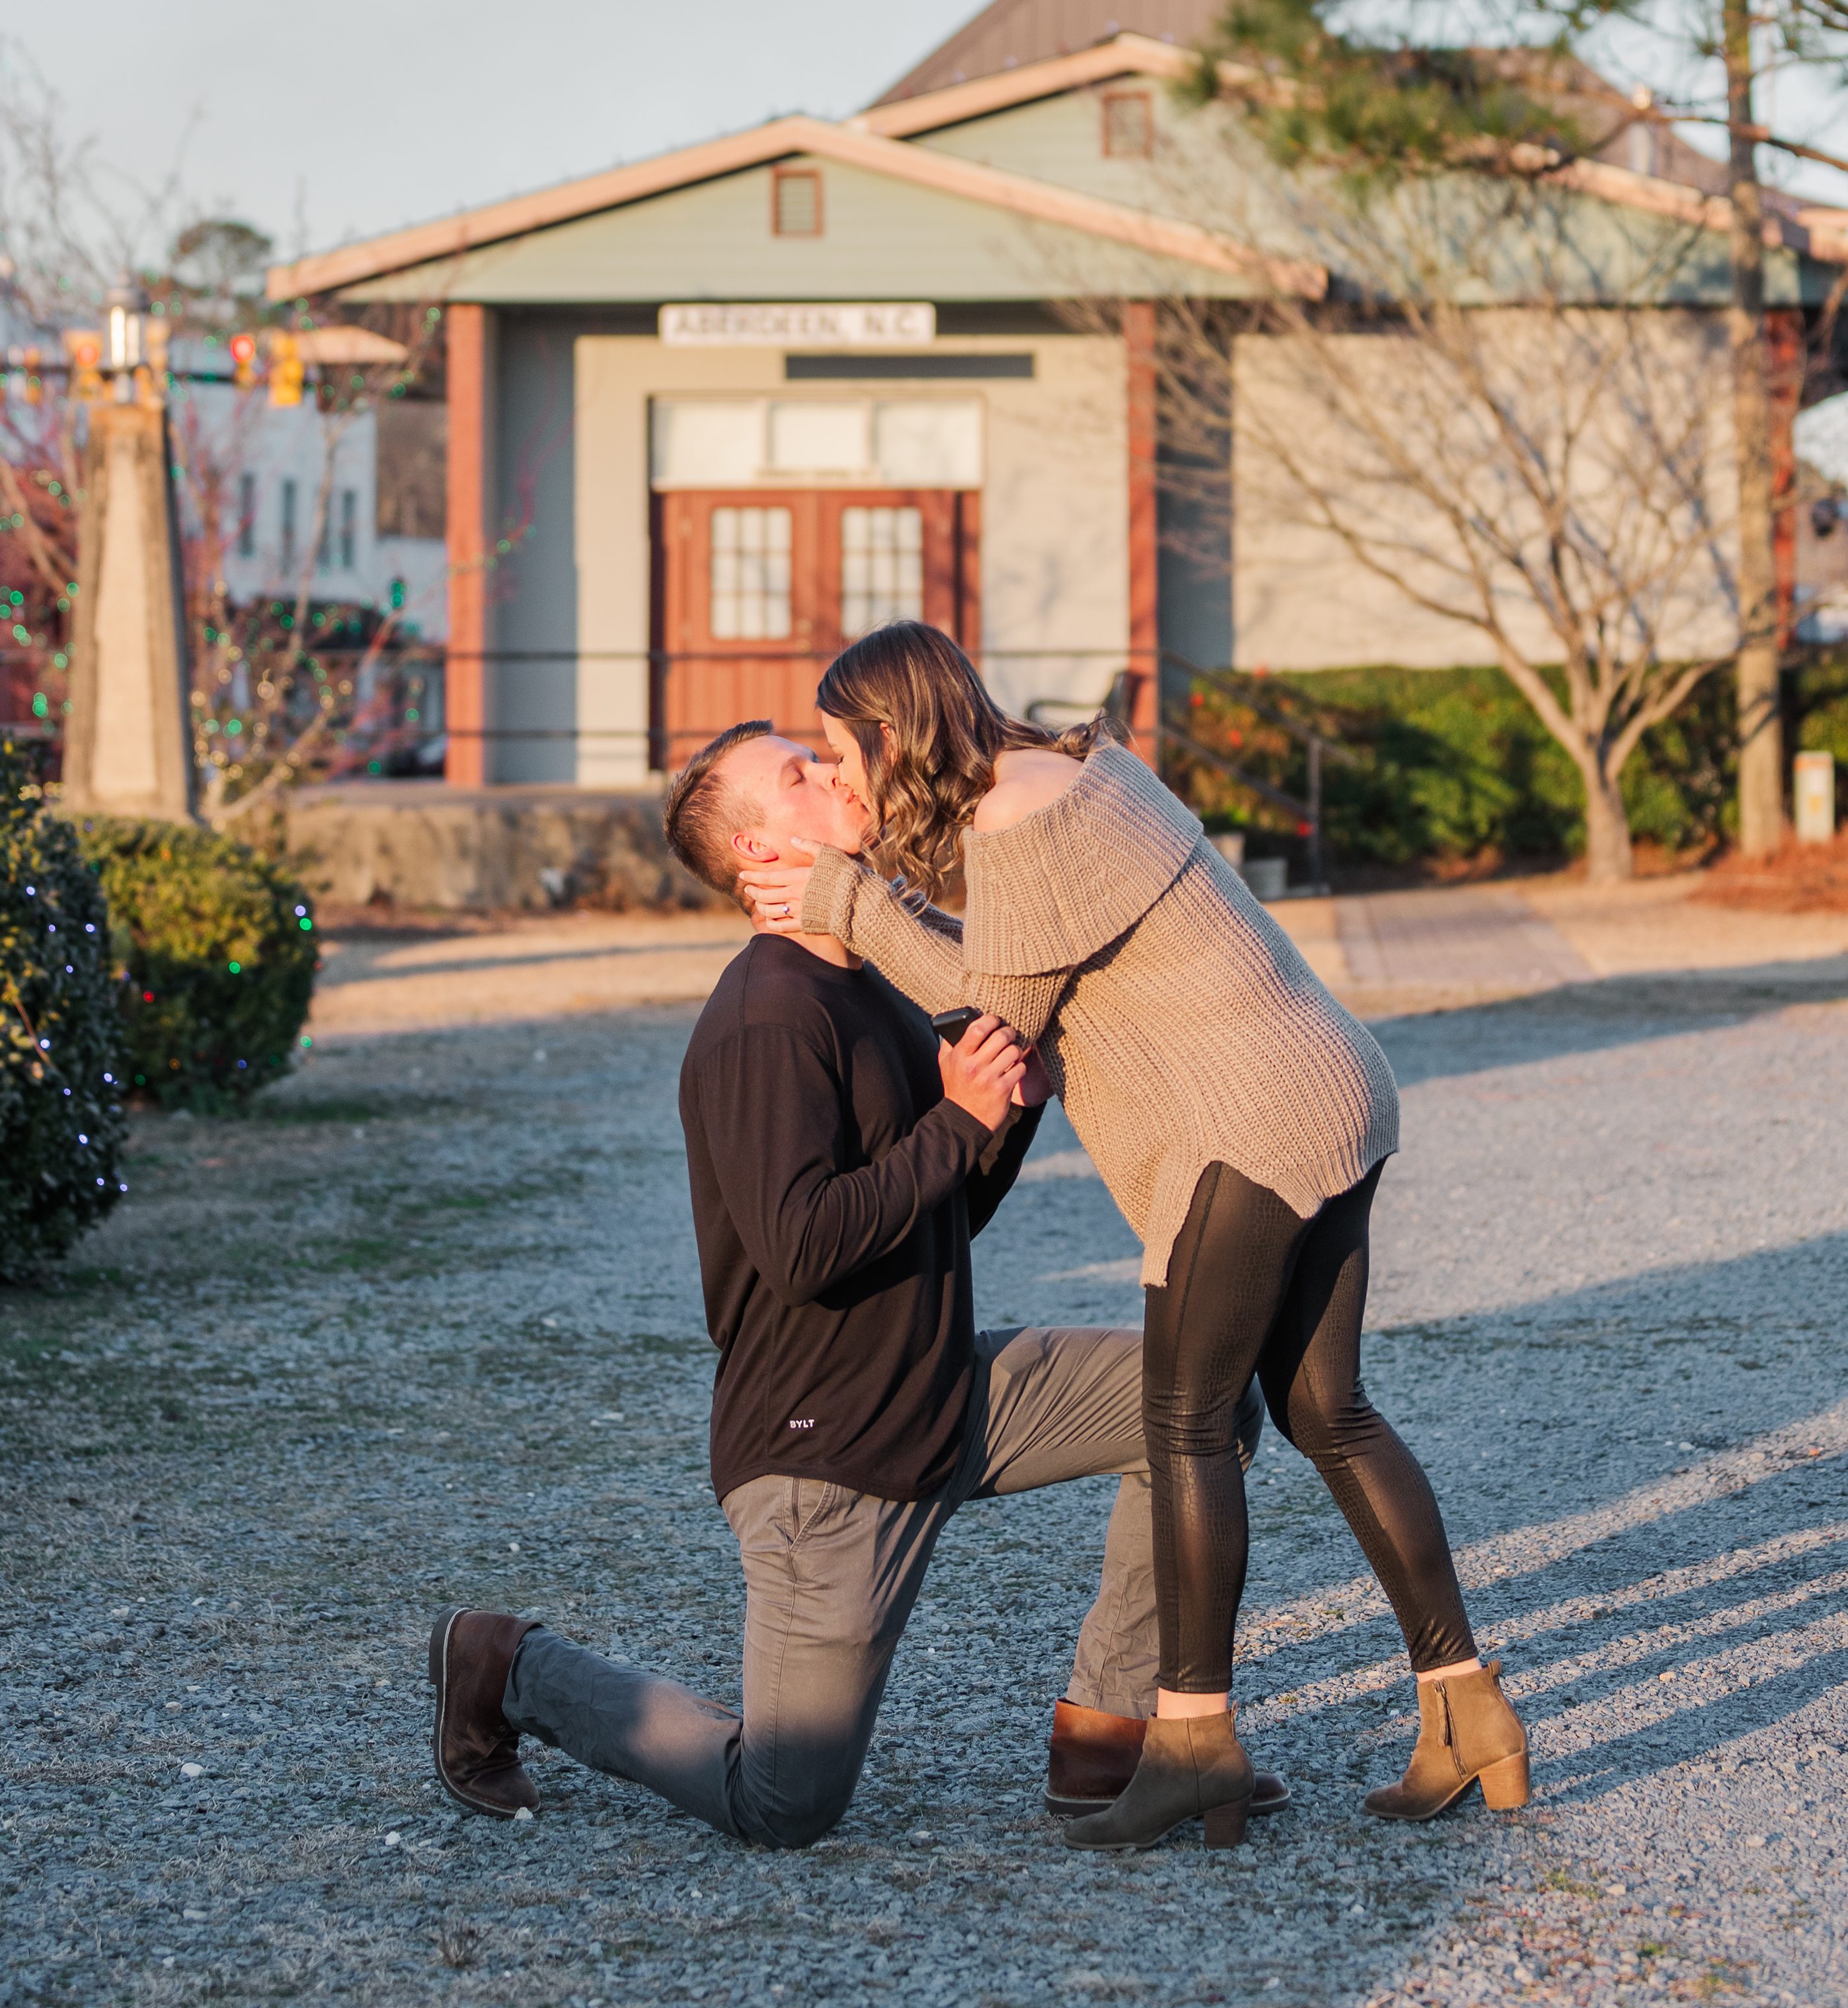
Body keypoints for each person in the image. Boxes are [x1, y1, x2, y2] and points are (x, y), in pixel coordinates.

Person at [738, 626, 1530, 1850]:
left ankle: (1191, 1740)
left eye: (843, 749)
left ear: (892, 733)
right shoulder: (1076, 767)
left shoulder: (1018, 834)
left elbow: (991, 1021)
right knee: (1329, 1413)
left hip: (1251, 1131)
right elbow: (1011, 972)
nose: (841, 775)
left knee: (1185, 1425)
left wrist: (845, 897)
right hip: (1333, 1086)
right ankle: (1465, 1709)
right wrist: (885, 898)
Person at [428, 716, 1282, 1848]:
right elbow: (801, 1247)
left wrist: (1002, 1118)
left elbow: (946, 1216)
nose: (835, 775)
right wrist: (954, 1124)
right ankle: (506, 1665)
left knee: (1204, 1406)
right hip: (824, 1456)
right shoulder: (762, 1022)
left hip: (946, 1391)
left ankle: (1107, 1742)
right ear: (759, 857)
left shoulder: (874, 983)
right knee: (784, 1804)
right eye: (799, 774)